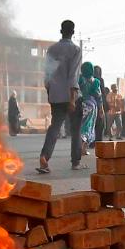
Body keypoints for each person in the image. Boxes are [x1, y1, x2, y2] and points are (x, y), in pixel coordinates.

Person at [38, 20, 83, 173]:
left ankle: (44, 157)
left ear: (61, 31)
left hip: (55, 96)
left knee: (55, 128)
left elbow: (47, 76)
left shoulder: (51, 50)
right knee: (76, 129)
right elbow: (73, 75)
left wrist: (51, 92)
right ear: (73, 32)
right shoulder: (75, 50)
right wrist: (72, 99)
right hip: (70, 95)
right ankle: (75, 162)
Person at [77, 62, 102, 155]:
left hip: (80, 105)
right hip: (91, 106)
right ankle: (83, 149)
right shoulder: (95, 81)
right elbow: (99, 97)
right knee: (88, 127)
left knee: (80, 126)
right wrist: (101, 109)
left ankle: (79, 148)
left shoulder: (79, 79)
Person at [94, 66, 107, 142]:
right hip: (99, 103)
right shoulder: (100, 80)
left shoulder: (89, 79)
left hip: (90, 103)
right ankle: (99, 140)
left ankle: (92, 141)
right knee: (100, 123)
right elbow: (102, 92)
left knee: (92, 124)